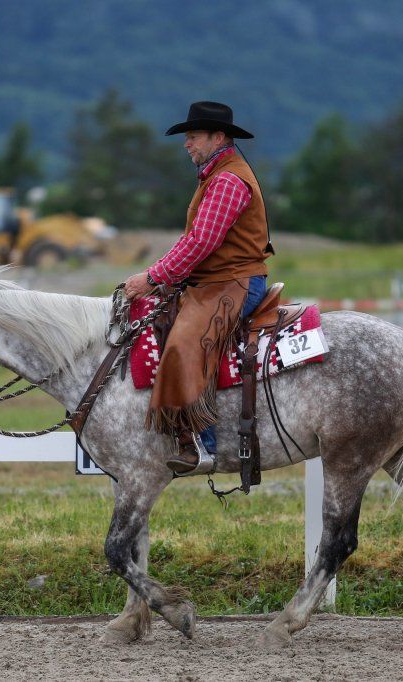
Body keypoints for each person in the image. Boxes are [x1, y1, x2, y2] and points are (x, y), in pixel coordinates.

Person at [123, 101, 274, 476]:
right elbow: (191, 241)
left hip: (234, 282)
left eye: (192, 136)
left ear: (217, 137)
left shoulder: (226, 181)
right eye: (187, 137)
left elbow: (201, 243)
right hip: (216, 281)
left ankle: (204, 446)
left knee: (185, 341)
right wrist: (159, 273)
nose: (186, 144)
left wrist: (152, 279)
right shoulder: (216, 176)